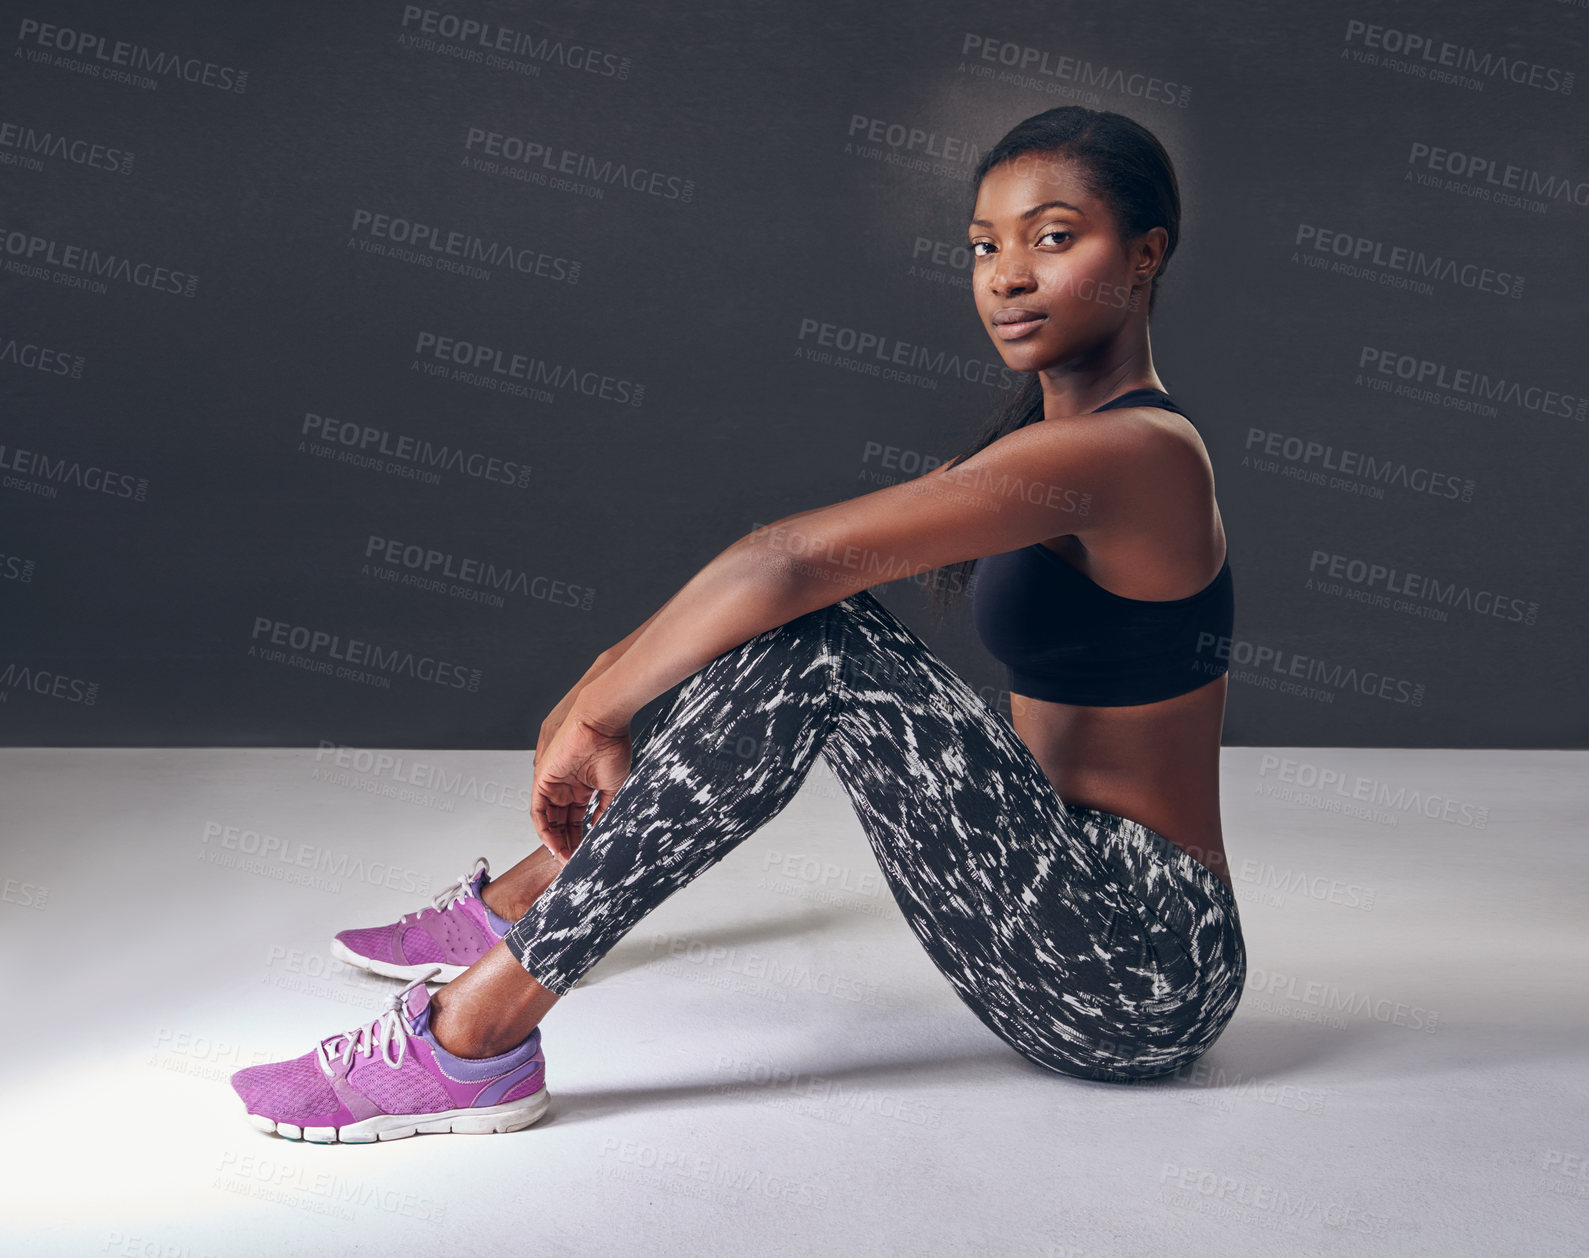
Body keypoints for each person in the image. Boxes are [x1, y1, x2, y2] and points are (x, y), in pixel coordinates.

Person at [230, 105, 1247, 1143]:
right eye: (984, 246)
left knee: (821, 638)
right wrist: (612, 667)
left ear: (1145, 254)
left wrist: (594, 705)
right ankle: (526, 908)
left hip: (1142, 964)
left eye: (1053, 237)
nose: (1006, 275)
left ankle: (471, 1032)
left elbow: (792, 560)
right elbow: (788, 568)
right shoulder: (1044, 443)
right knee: (804, 627)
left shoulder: (1137, 457)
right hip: (1048, 901)